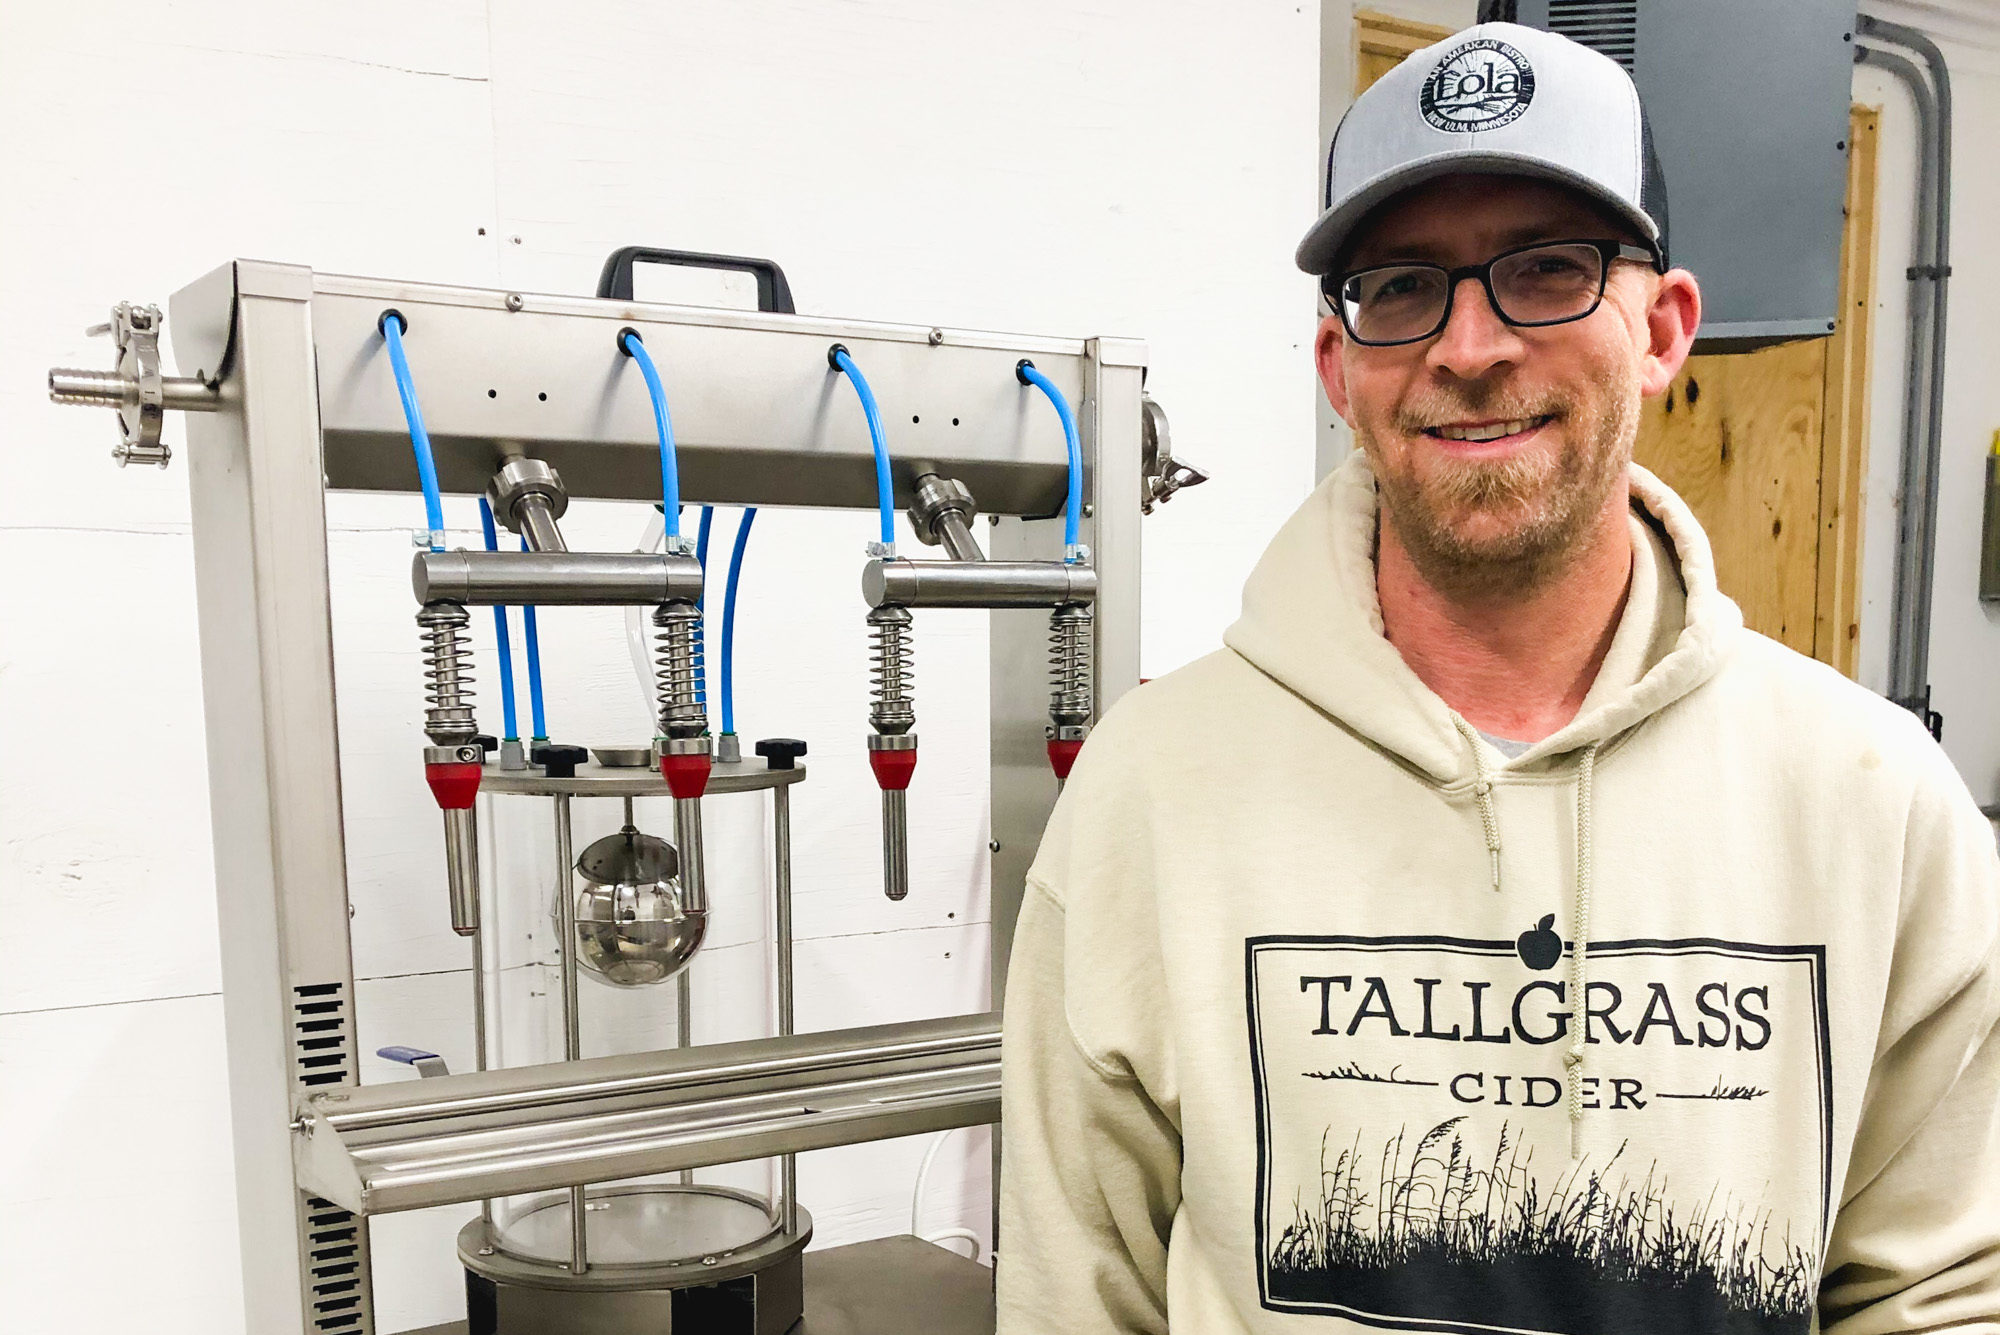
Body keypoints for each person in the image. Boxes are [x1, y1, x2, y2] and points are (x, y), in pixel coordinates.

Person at [997, 21, 2000, 1335]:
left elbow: (1939, 1291)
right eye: (1401, 287)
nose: (1468, 348)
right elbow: (1077, 1295)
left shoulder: (1875, 803)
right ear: (1339, 367)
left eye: (1546, 269)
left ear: (1663, 330)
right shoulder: (1152, 790)